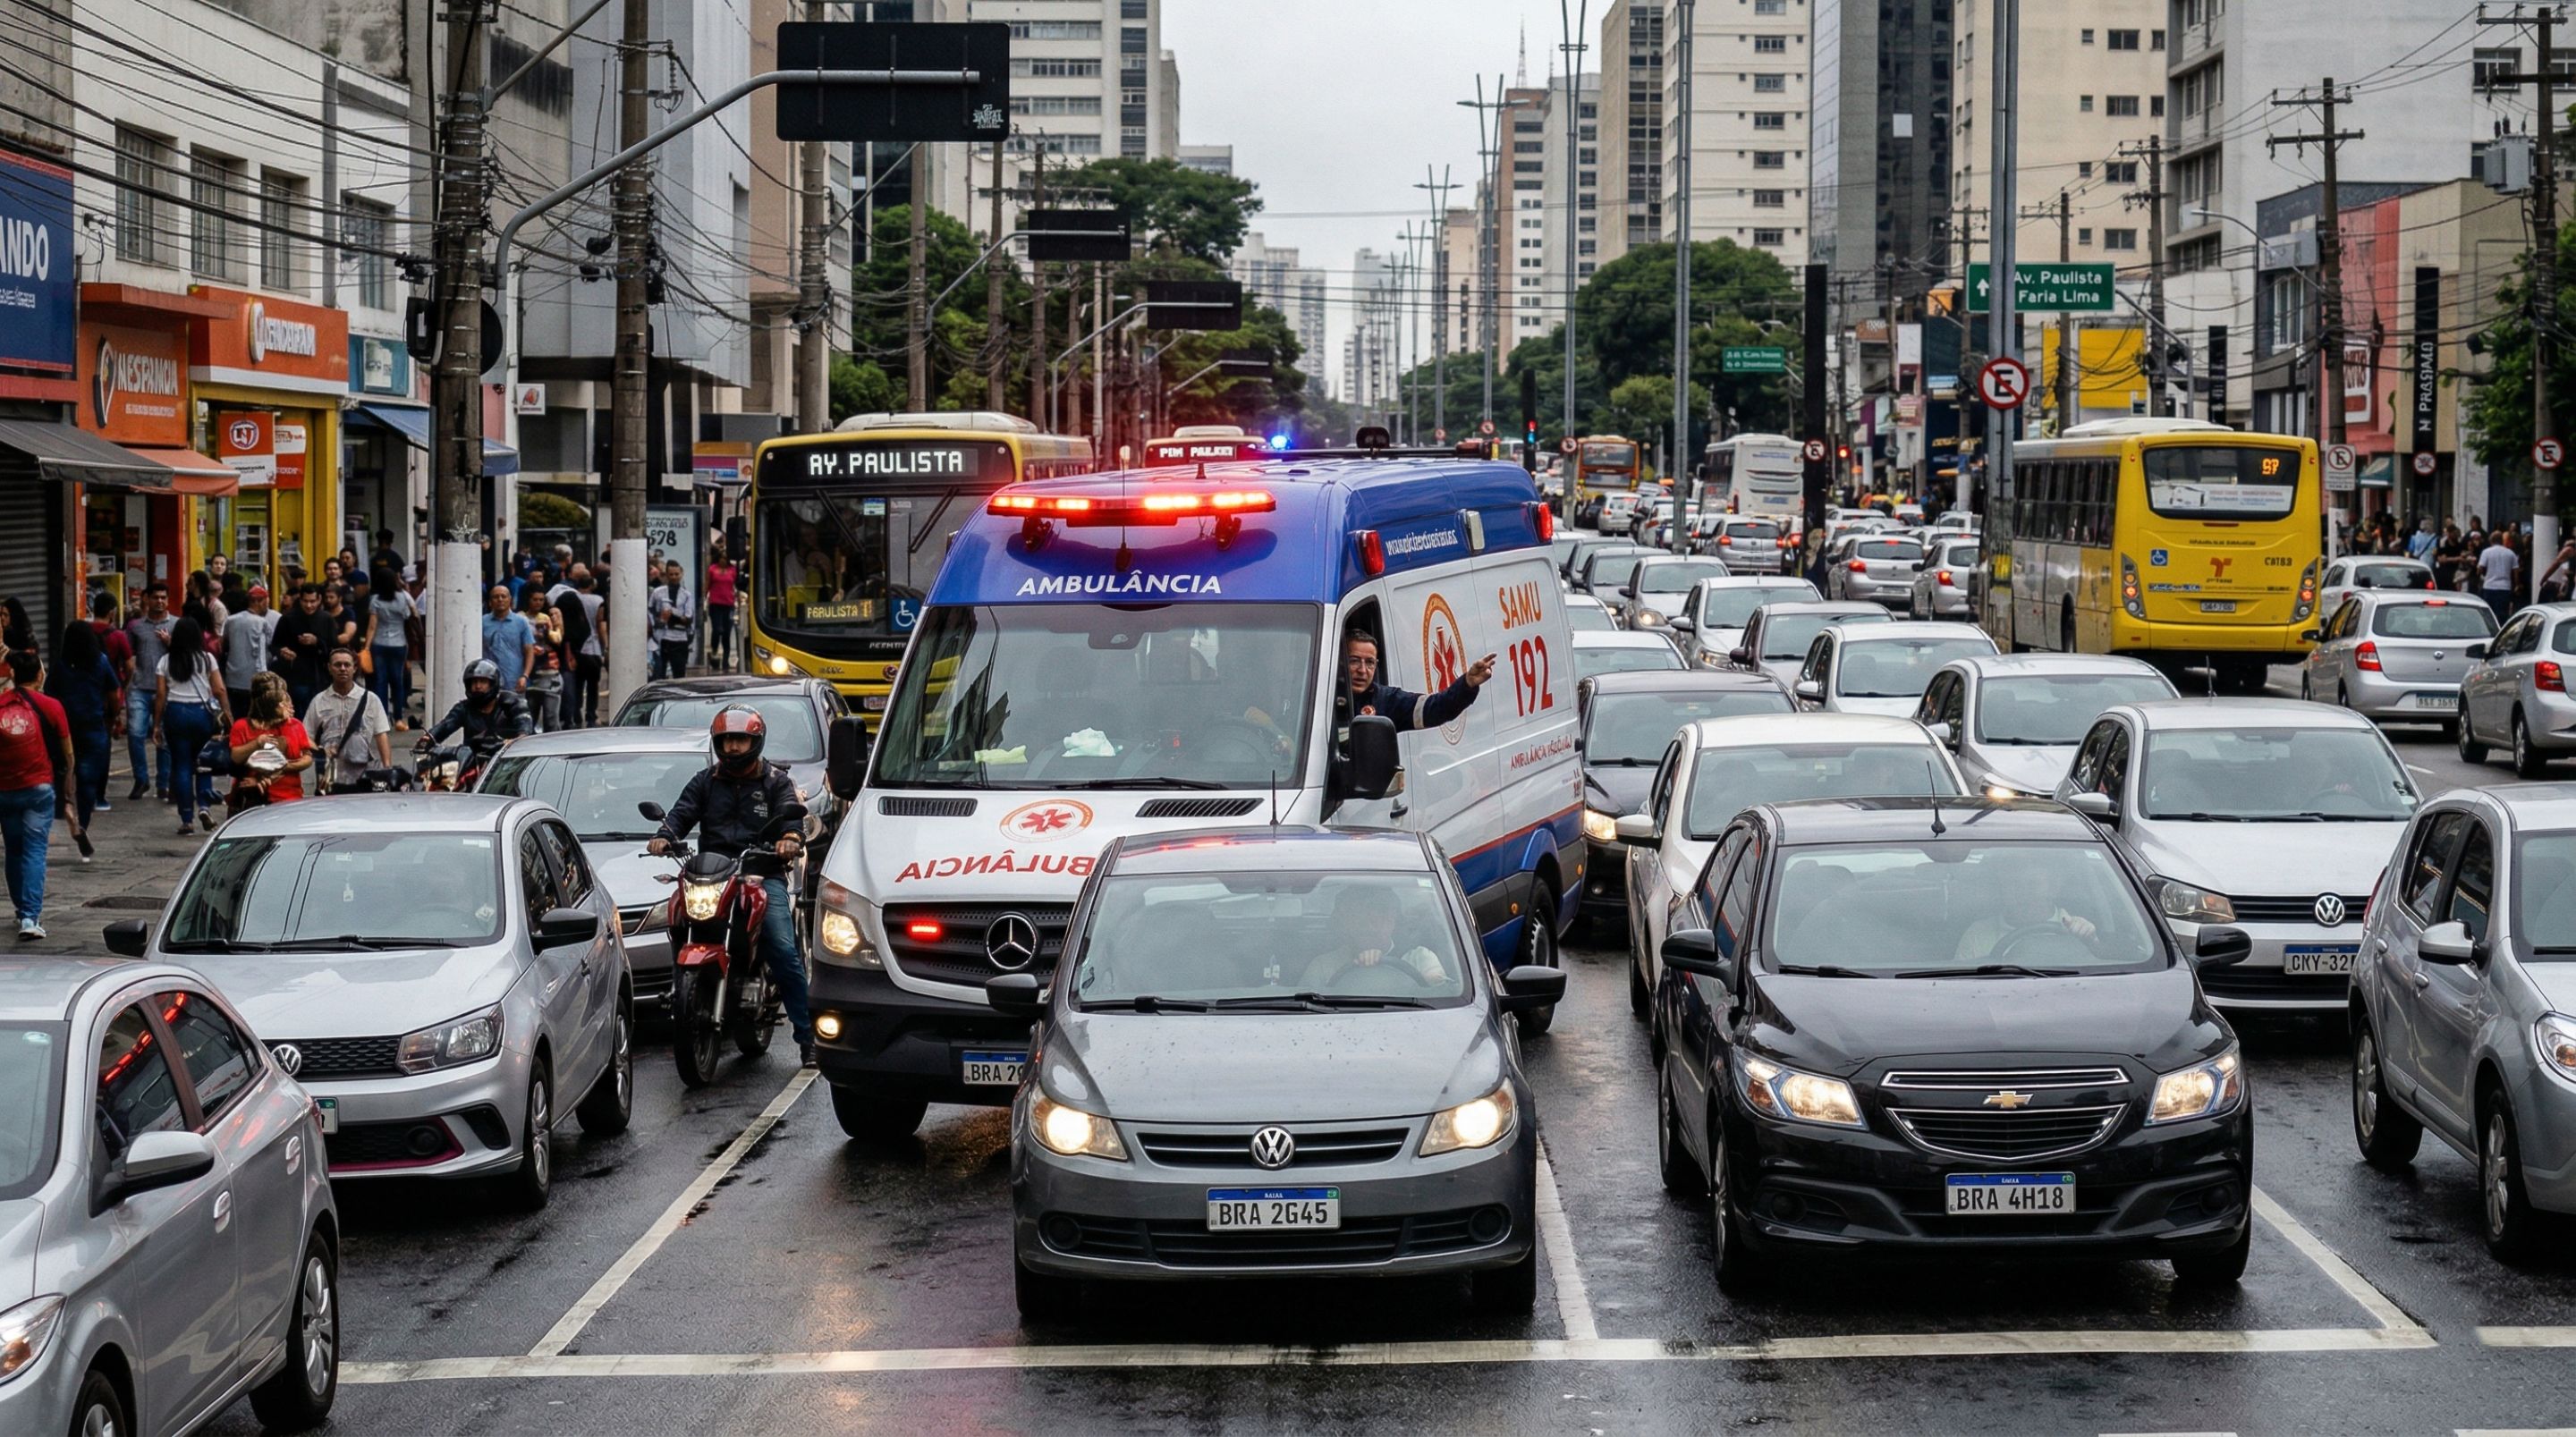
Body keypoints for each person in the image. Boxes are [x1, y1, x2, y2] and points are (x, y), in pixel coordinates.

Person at [646, 706, 815, 1066]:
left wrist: (788, 837)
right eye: (727, 740)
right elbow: (681, 813)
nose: (734, 748)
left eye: (741, 740)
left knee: (783, 948)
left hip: (761, 871)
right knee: (677, 918)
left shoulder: (775, 782)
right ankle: (686, 994)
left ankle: (808, 1038)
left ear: (755, 741)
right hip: (713, 873)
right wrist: (665, 836)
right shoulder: (705, 781)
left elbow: (790, 814)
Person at [0, 650, 73, 936]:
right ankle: (30, 917)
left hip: (5, 790)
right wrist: (69, 789)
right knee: (34, 851)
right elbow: (68, 754)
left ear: (13, 675)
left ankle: (22, 911)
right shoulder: (52, 706)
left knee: (14, 850)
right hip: (39, 788)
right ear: (40, 675)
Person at [153, 614, 228, 835]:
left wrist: (156, 724)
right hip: (201, 714)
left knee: (182, 766)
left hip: (176, 713)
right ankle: (204, 807)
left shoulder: (165, 661)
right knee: (204, 762)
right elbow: (219, 690)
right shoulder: (207, 659)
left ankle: (186, 818)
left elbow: (160, 694)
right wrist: (228, 714)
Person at [1336, 630, 1496, 733]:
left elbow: (1437, 708)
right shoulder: (1321, 697)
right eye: (1354, 661)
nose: (1363, 670)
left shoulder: (1386, 700)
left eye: (1370, 663)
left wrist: (1467, 684)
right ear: (1340, 662)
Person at [1296, 885, 1449, 990]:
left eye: (1381, 915)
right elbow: (1303, 1006)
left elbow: (1443, 991)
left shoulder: (1420, 958)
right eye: (1360, 916)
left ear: (1393, 920)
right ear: (1345, 922)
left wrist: (1432, 980)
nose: (1370, 925)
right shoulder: (1323, 966)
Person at [46, 620, 118, 834]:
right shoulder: (101, 662)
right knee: (87, 779)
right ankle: (83, 821)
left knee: (63, 770)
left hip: (65, 728)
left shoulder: (61, 665)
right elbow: (114, 694)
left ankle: (63, 807)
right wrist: (112, 718)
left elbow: (49, 695)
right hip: (93, 727)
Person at [1954, 863, 2101, 965]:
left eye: (2033, 884)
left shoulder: (2075, 929)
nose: (2023, 892)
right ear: (2003, 890)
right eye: (2014, 884)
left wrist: (2091, 941)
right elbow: (1960, 986)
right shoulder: (1977, 934)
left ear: (2053, 888)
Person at [305, 647, 392, 792]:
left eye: (347, 665)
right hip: (329, 776)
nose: (343, 669)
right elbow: (306, 735)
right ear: (329, 668)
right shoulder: (319, 701)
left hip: (363, 775)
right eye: (337, 665)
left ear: (354, 668)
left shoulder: (371, 700)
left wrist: (387, 769)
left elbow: (381, 734)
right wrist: (320, 751)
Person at [228, 672, 314, 809]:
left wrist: (282, 767)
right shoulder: (242, 726)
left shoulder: (294, 725)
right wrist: (257, 743)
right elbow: (236, 757)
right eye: (279, 703)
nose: (285, 705)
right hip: (254, 801)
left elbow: (308, 757)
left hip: (290, 799)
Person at [122, 581, 175, 800]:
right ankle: (141, 779)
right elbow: (126, 655)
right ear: (147, 599)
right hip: (139, 688)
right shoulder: (136, 627)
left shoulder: (176, 625)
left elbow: (185, 654)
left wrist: (170, 642)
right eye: (155, 597)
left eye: (163, 597)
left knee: (163, 736)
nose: (160, 601)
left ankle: (163, 782)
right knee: (135, 734)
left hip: (167, 689)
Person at [425, 657, 531, 754]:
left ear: (493, 683)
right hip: (474, 761)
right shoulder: (464, 708)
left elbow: (524, 728)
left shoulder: (513, 703)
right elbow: (446, 725)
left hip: (508, 761)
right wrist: (429, 738)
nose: (478, 686)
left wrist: (517, 740)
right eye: (474, 682)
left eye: (483, 682)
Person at [269, 585, 335, 715]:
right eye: (306, 601)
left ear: (319, 600)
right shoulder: (288, 618)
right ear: (300, 600)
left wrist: (317, 642)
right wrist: (283, 652)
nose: (309, 605)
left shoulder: (326, 619)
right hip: (296, 675)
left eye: (312, 601)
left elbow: (334, 647)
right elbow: (274, 645)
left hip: (320, 675)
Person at [362, 565, 416, 726]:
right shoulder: (403, 597)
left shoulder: (376, 600)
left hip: (379, 643)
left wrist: (366, 647)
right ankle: (399, 718)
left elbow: (372, 626)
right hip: (399, 644)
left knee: (380, 681)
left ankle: (383, 717)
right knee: (397, 681)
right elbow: (411, 614)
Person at [220, 583, 277, 697]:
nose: (267, 606)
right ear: (259, 602)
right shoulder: (261, 623)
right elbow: (262, 654)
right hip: (252, 681)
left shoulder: (231, 620)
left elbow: (223, 645)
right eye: (266, 602)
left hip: (232, 679)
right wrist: (264, 677)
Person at [521, 587, 564, 732]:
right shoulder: (521, 618)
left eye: (541, 600)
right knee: (529, 717)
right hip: (529, 672)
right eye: (535, 599)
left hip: (548, 670)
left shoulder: (545, 618)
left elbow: (557, 639)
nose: (538, 603)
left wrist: (553, 628)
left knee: (551, 718)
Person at [480, 584, 538, 691]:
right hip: (489, 682)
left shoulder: (521, 622)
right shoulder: (482, 622)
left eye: (503, 596)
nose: (500, 599)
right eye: (496, 597)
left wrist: (525, 676)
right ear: (490, 601)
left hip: (515, 682)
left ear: (510, 599)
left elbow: (529, 651)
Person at [649, 559, 696, 680]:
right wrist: (659, 620)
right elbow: (650, 612)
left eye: (676, 574)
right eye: (671, 574)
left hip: (680, 639)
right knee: (659, 675)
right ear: (666, 575)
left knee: (679, 676)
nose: (674, 577)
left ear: (681, 574)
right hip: (661, 639)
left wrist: (673, 614)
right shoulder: (658, 593)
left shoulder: (686, 595)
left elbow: (689, 618)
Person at [704, 541, 739, 672]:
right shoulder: (712, 569)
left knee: (726, 633)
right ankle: (713, 651)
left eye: (726, 558)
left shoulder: (733, 570)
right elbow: (707, 584)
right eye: (722, 558)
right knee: (717, 629)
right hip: (715, 604)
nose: (724, 560)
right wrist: (704, 597)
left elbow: (736, 585)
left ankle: (725, 661)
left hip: (728, 604)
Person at [2480, 529, 2522, 619]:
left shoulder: (2486, 552)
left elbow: (2480, 568)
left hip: (2489, 586)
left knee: (2489, 614)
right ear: (2502, 540)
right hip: (2505, 587)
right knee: (2502, 614)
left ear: (2491, 540)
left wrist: (2482, 575)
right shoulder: (2511, 553)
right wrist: (2517, 585)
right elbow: (2516, 572)